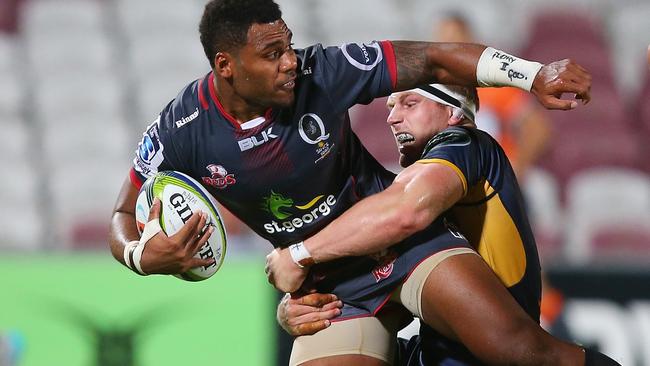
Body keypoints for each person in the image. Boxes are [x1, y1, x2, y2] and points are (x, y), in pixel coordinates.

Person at [107, 0, 594, 364]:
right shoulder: (181, 130)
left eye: (289, 44)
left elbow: (437, 59)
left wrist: (531, 74)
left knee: (520, 351)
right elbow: (123, 215)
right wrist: (140, 255)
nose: (290, 61)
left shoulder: (323, 70)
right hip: (330, 288)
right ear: (226, 66)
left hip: (404, 243)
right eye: (272, 54)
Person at [267, 84, 618, 366]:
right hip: (436, 352)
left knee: (532, 353)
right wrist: (298, 306)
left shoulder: (466, 144)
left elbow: (405, 212)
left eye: (409, 104)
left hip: (496, 351)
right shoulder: (403, 190)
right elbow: (371, 268)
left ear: (452, 112)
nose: (391, 117)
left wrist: (299, 255)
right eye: (390, 106)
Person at [435, 12, 551, 181]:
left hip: (495, 179)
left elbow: (538, 129)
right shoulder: (433, 93)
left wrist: (517, 168)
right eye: (441, 43)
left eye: (453, 41)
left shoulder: (494, 85)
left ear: (470, 42)